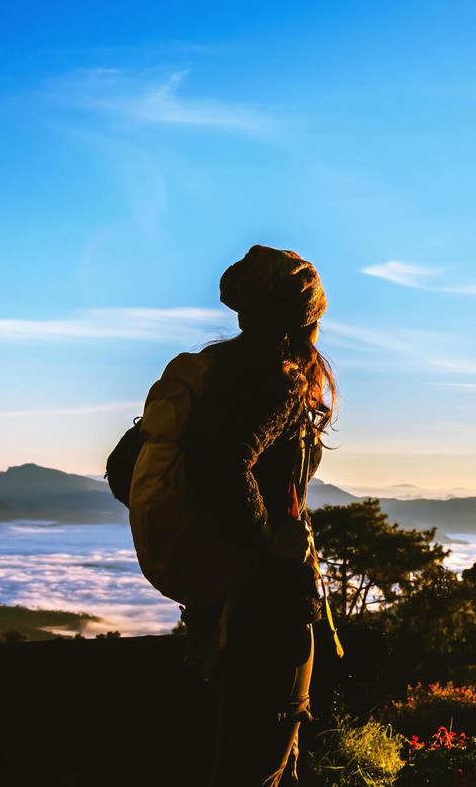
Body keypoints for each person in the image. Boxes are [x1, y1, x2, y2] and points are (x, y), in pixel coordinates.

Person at [131, 245, 335, 787]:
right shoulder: (281, 380)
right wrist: (269, 542)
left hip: (213, 597)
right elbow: (228, 463)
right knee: (260, 762)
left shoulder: (208, 372)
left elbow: (122, 467)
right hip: (266, 605)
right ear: (307, 315)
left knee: (226, 754)